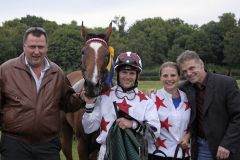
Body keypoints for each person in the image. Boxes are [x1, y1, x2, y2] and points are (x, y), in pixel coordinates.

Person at [0, 27, 84, 160]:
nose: (37, 52)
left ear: (46, 48)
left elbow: (67, 103)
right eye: (32, 47)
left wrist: (81, 98)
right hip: (14, 145)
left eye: (41, 47)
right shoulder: (6, 71)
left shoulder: (57, 73)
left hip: (48, 146)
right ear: (24, 46)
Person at [81, 51, 160, 160]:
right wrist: (89, 105)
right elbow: (88, 128)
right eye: (124, 72)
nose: (127, 77)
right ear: (117, 73)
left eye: (132, 73)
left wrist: (133, 124)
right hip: (107, 155)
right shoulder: (103, 97)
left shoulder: (147, 102)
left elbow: (155, 133)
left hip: (135, 155)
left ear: (138, 75)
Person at [176, 50, 240, 160]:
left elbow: (238, 116)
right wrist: (152, 92)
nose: (189, 73)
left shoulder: (226, 83)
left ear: (201, 64)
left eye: (191, 68)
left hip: (225, 146)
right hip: (201, 147)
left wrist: (226, 144)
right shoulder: (184, 88)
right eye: (185, 71)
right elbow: (167, 93)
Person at [147, 62, 191, 160]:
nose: (169, 79)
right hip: (158, 154)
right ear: (160, 78)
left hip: (183, 154)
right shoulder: (151, 98)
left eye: (173, 75)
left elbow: (195, 122)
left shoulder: (189, 98)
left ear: (179, 77)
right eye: (165, 76)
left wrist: (188, 136)